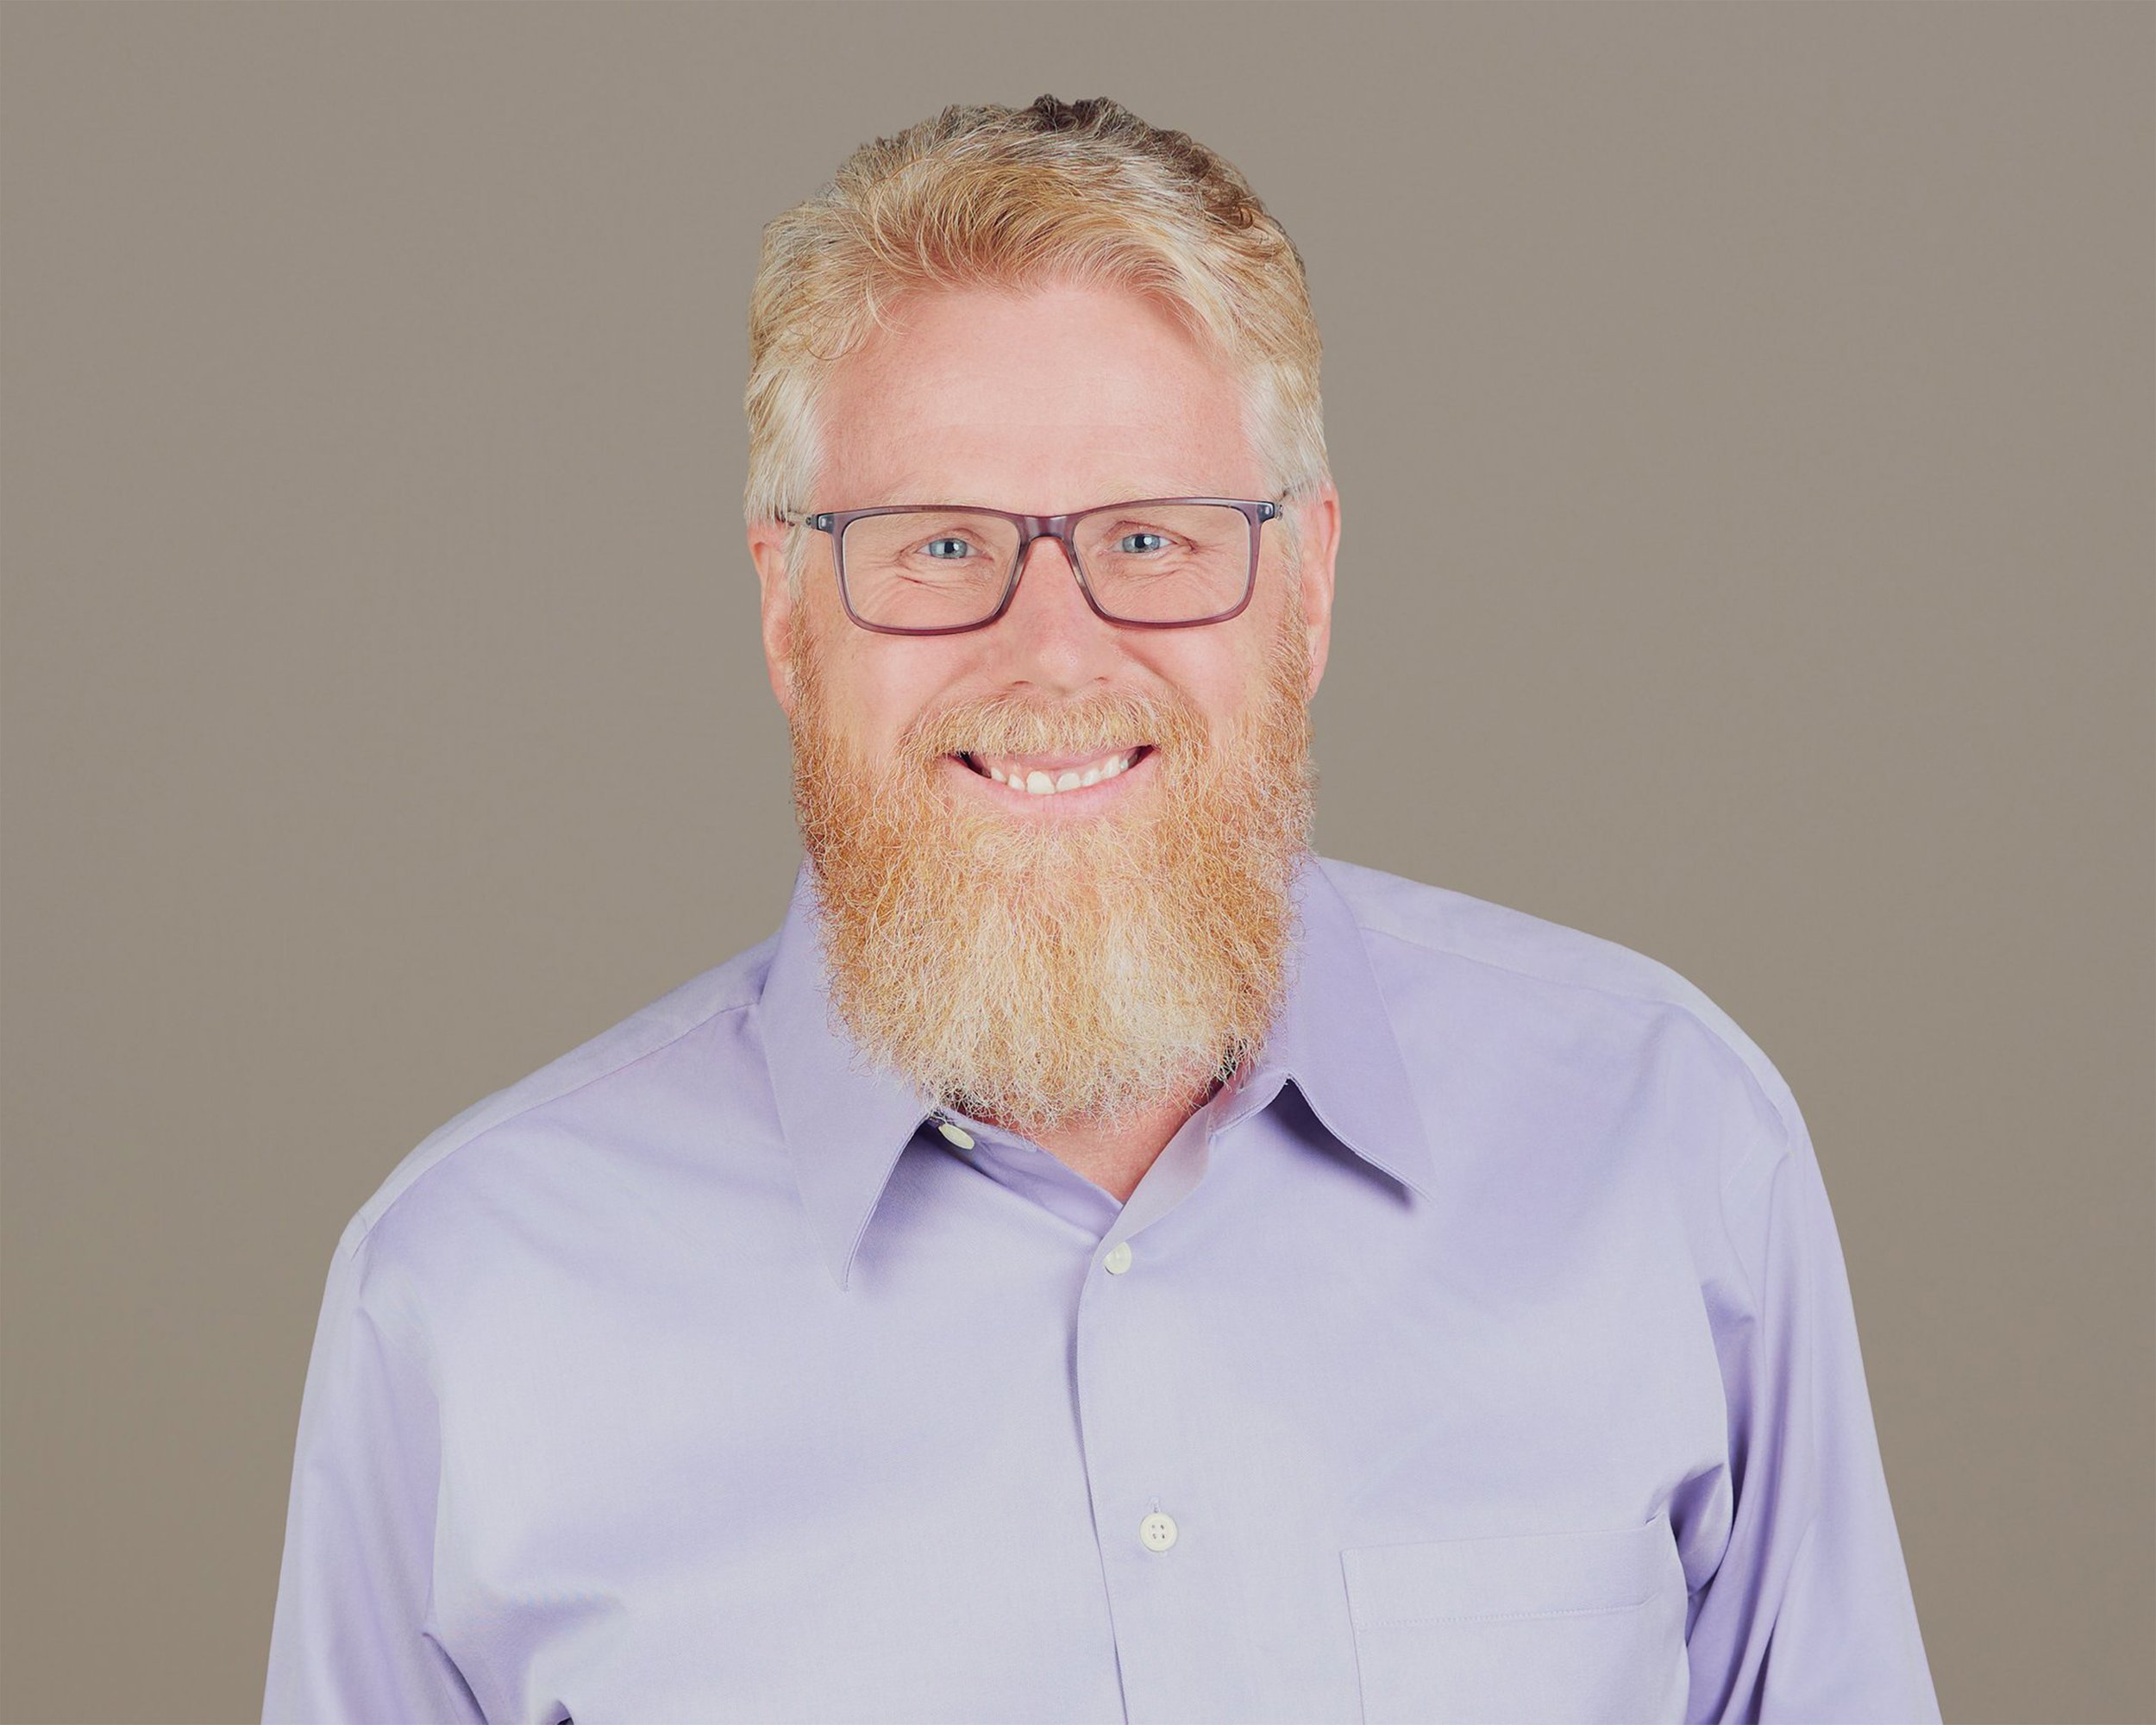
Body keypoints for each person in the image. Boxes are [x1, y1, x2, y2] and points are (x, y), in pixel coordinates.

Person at [262, 96, 1940, 1723]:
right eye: (937, 546)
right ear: (787, 611)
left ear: (1308, 585)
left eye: (1150, 536)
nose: (1052, 652)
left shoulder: (1664, 1149)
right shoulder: (470, 1303)